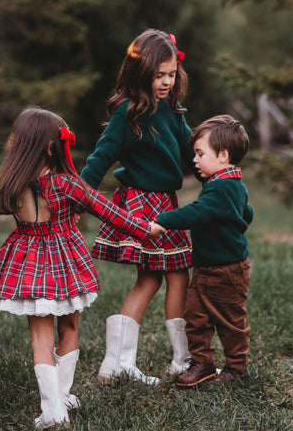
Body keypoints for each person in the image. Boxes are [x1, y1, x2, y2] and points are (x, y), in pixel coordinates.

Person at [0, 107, 164, 429]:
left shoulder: (10, 183)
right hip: (63, 261)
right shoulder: (67, 184)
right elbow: (108, 211)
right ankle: (62, 397)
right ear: (53, 146)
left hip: (26, 261)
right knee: (69, 327)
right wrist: (145, 228)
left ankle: (54, 409)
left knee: (39, 338)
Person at [81, 29, 196, 384]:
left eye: (171, 74)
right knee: (153, 281)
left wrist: (219, 177)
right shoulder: (128, 114)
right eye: (158, 75)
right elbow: (101, 158)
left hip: (166, 205)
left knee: (174, 278)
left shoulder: (172, 112)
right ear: (140, 73)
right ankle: (121, 363)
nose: (165, 81)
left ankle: (178, 361)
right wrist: (78, 194)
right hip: (142, 206)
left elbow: (193, 152)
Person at [156, 115, 253, 386]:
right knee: (195, 316)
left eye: (200, 154)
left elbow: (197, 212)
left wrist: (163, 220)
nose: (195, 159)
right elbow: (247, 213)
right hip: (205, 266)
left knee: (229, 319)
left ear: (223, 156)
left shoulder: (223, 187)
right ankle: (204, 363)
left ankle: (235, 368)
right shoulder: (226, 183)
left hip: (227, 269)